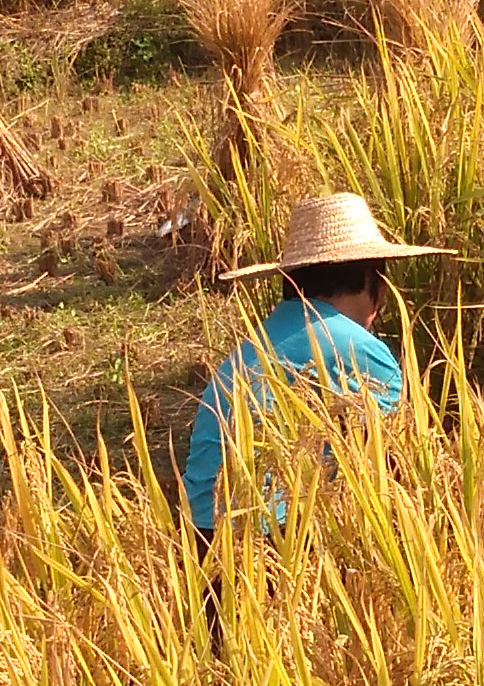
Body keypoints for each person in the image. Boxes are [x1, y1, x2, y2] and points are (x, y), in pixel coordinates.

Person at [184, 190, 447, 538]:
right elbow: (394, 472)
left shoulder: (256, 342)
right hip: (273, 539)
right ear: (376, 284)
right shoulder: (362, 352)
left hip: (199, 533)